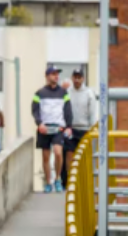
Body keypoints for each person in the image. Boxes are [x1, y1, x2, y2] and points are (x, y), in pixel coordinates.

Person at [33, 64, 74, 193]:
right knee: (45, 157)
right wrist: (39, 123)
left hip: (59, 127)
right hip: (45, 128)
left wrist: (69, 126)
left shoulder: (63, 93)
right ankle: (48, 182)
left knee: (57, 152)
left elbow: (68, 110)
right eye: (53, 74)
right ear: (47, 76)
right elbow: (35, 110)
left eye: (57, 74)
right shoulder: (39, 93)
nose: (56, 76)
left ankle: (57, 179)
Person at [64, 68, 98, 188]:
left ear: (83, 78)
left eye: (79, 77)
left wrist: (92, 129)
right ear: (72, 78)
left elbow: (92, 113)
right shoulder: (68, 92)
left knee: (84, 156)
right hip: (71, 128)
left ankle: (84, 182)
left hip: (85, 128)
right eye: (75, 77)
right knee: (69, 154)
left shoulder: (89, 93)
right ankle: (70, 181)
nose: (77, 80)